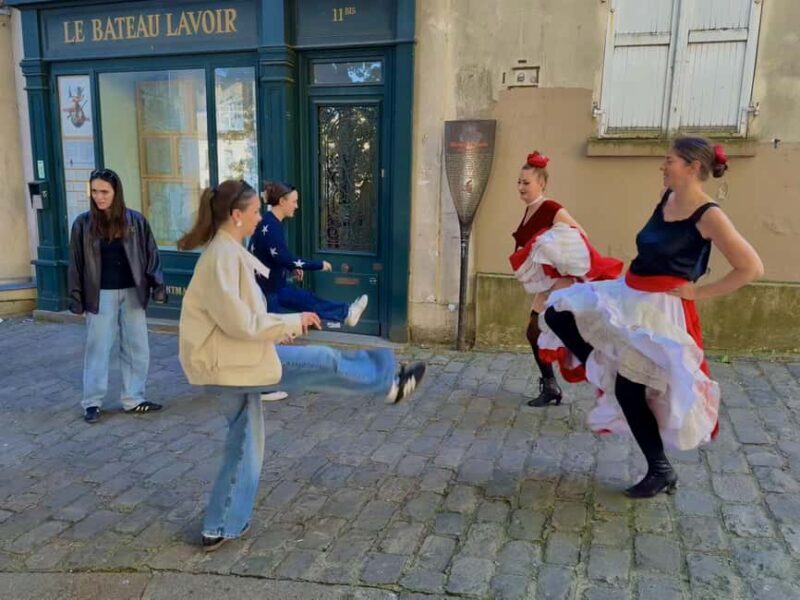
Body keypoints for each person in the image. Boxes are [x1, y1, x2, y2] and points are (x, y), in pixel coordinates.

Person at [176, 179, 426, 551]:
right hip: (228, 364)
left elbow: (243, 318)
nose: (260, 217)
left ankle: (220, 524)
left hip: (231, 360)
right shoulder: (222, 256)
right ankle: (386, 382)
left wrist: (277, 329)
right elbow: (242, 323)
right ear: (236, 215)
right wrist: (290, 323)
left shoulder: (227, 251)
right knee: (321, 361)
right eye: (255, 211)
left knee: (245, 442)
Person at [540, 137, 764, 498]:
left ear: (693, 167)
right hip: (630, 293)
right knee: (558, 312)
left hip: (661, 310)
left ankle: (660, 471)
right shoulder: (667, 198)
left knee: (630, 390)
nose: (663, 165)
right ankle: (605, 365)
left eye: (670, 160)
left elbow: (751, 267)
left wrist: (698, 292)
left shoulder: (709, 215)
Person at [68, 168, 167, 423]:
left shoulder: (136, 221)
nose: (99, 197)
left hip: (133, 292)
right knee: (97, 348)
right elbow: (76, 264)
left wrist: (157, 285)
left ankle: (134, 398)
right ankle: (92, 402)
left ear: (116, 192)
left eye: (105, 192)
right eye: (94, 191)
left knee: (137, 347)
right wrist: (76, 298)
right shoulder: (82, 224)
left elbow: (151, 254)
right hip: (100, 294)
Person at [511, 152, 588, 407]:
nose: (521, 187)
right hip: (546, 286)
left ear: (541, 184)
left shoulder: (551, 208)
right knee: (534, 332)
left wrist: (552, 252)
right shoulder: (530, 209)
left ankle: (609, 380)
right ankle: (551, 385)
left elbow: (580, 235)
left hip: (561, 285)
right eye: (519, 182)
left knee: (569, 335)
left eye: (526, 182)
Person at [250, 181, 368, 328]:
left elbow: (275, 255)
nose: (296, 206)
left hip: (272, 286)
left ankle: (347, 313)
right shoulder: (271, 225)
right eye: (294, 201)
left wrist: (291, 267)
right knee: (275, 334)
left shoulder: (270, 222)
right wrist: (318, 265)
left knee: (307, 299)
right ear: (282, 201)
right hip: (268, 291)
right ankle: (347, 313)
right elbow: (283, 257)